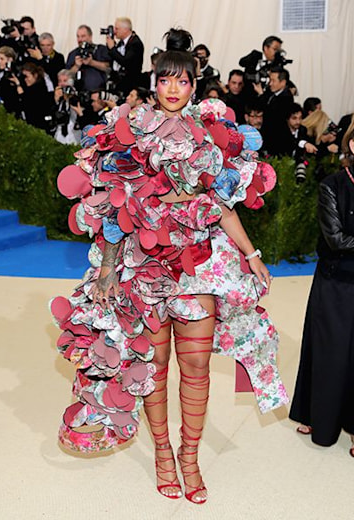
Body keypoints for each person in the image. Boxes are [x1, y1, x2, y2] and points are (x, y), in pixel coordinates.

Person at [51, 28, 288, 505]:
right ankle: (162, 452)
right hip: (145, 266)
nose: (173, 88)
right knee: (155, 365)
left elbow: (221, 203)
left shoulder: (210, 135)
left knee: (196, 363)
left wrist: (251, 253)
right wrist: (108, 270)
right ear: (155, 83)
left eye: (183, 80)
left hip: (199, 263)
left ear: (195, 86)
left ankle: (190, 456)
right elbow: (114, 212)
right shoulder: (130, 133)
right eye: (165, 79)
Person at [289, 128, 354, 455]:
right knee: (329, 350)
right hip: (336, 280)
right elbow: (337, 240)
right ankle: (318, 416)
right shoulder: (332, 185)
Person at [105, 17, 144, 98]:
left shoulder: (135, 43)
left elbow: (126, 62)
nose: (114, 31)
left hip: (130, 85)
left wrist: (112, 49)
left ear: (125, 29)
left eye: (117, 29)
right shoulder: (121, 43)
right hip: (118, 83)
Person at [66, 25, 110, 92]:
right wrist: (76, 66)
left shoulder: (101, 49)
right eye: (78, 36)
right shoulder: (73, 54)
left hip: (98, 93)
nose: (80, 39)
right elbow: (67, 76)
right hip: (78, 93)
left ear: (90, 36)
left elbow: (108, 68)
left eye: (83, 36)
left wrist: (91, 62)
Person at [0, 46, 21, 116]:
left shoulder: (16, 74)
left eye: (2, 59)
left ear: (10, 59)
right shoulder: (0, 73)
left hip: (11, 113)